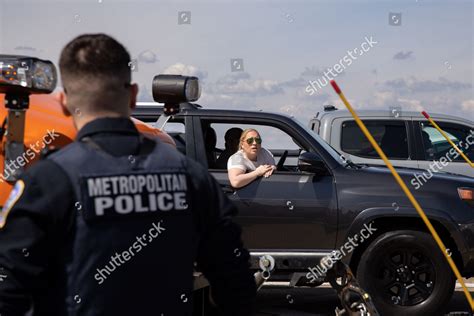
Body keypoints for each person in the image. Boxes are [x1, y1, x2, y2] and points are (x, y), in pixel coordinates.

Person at [0, 34, 256, 316]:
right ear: (133, 95)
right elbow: (236, 282)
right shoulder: (191, 176)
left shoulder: (47, 181)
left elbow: (10, 290)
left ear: (62, 102)